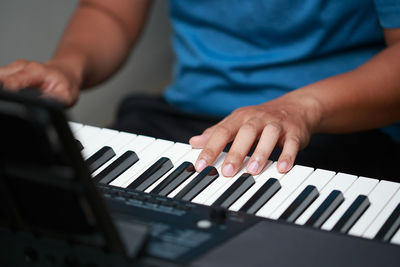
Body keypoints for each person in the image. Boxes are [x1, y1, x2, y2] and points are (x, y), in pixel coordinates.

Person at [0, 0, 399, 181]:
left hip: (339, 121)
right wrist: (68, 66)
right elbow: (110, 11)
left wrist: (302, 107)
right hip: (187, 119)